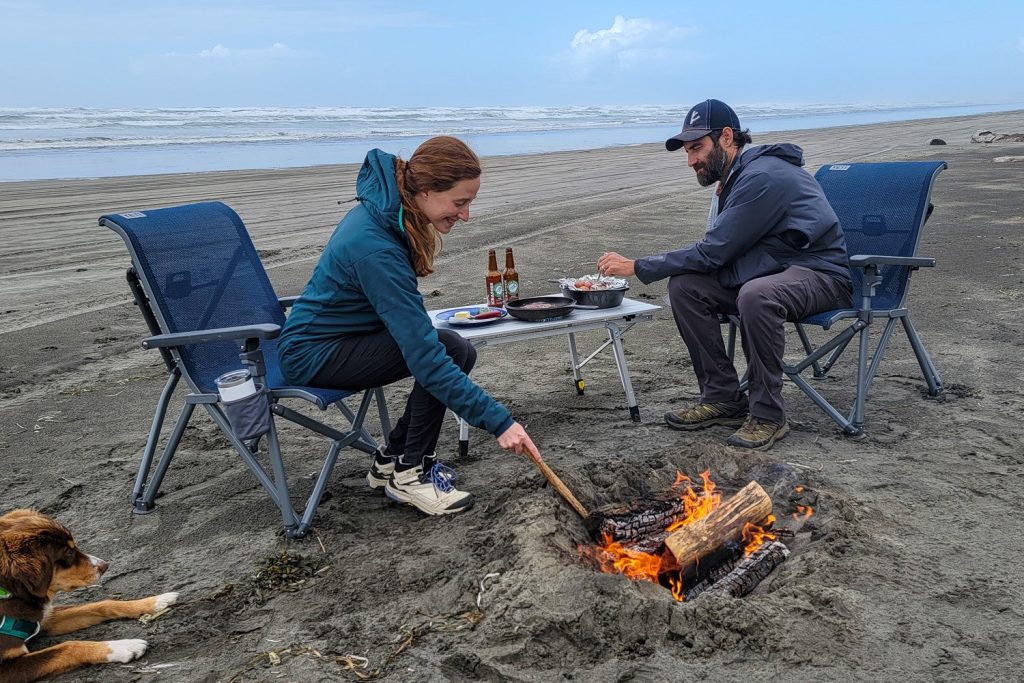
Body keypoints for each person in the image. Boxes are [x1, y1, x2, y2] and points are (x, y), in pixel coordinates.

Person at [278, 135, 541, 515]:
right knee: (446, 351)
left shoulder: (389, 213)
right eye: (460, 203)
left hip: (347, 336)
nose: (465, 215)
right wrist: (500, 423)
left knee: (455, 347)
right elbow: (425, 359)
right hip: (313, 353)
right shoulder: (376, 247)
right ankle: (409, 474)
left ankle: (392, 459)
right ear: (426, 192)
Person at [597, 99, 852, 451]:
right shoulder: (740, 175)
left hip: (821, 275)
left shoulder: (760, 177)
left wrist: (638, 266)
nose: (691, 161)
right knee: (686, 287)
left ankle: (767, 415)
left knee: (756, 295)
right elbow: (720, 249)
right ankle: (723, 398)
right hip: (770, 270)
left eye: (697, 148)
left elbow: (713, 251)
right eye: (687, 152)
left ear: (727, 137)